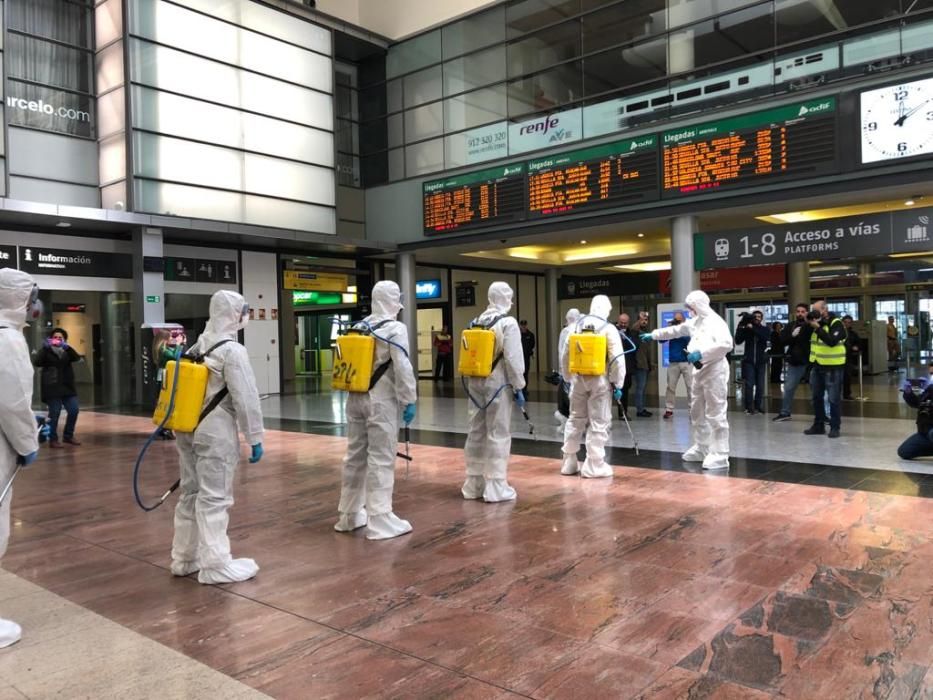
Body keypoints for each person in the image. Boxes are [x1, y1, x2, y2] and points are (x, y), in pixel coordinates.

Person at [171, 290, 265, 584]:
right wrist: (255, 436)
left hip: (187, 428)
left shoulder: (197, 345)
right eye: (244, 310)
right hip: (215, 433)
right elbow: (246, 397)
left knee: (190, 493)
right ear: (235, 313)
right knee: (214, 498)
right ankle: (215, 564)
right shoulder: (232, 351)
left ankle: (184, 558)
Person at [335, 281, 417, 540]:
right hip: (381, 401)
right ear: (393, 300)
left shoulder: (359, 326)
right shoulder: (394, 328)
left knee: (355, 456)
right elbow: (402, 366)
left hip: (355, 398)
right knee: (381, 458)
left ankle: (348, 515)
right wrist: (409, 399)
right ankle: (380, 519)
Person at [0, 269, 43, 648]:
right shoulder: (8, 340)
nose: (36, 305)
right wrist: (28, 443)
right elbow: (13, 404)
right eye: (32, 296)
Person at [644, 290, 733, 470]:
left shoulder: (716, 322)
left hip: (715, 370)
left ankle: (721, 454)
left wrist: (702, 353)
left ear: (698, 305)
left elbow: (726, 344)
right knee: (697, 411)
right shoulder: (695, 322)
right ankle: (702, 447)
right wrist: (653, 335)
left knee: (716, 413)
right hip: (698, 370)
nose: (688, 310)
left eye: (690, 306)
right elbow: (675, 330)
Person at [462, 282, 525, 502]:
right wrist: (519, 386)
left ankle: (473, 483)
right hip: (498, 382)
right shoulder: (508, 323)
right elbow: (514, 359)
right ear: (506, 298)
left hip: (475, 381)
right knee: (498, 432)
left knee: (476, 430)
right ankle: (496, 486)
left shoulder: (475, 321)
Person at [560, 295, 625, 478]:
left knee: (575, 419)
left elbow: (565, 355)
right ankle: (594, 464)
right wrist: (617, 383)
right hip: (600, 380)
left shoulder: (575, 326)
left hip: (578, 379)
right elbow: (617, 360)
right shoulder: (608, 329)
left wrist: (567, 376)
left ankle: (569, 461)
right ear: (605, 309)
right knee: (598, 421)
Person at [34, 328, 82, 448]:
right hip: (52, 387)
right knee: (54, 413)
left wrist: (67, 347)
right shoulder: (46, 350)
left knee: (74, 410)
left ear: (64, 339)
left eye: (61, 338)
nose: (58, 340)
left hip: (67, 386)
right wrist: (45, 348)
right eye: (56, 337)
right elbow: (37, 362)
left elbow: (76, 358)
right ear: (51, 339)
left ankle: (68, 436)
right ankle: (53, 439)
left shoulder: (67, 351)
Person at [805, 300, 847, 439]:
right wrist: (808, 323)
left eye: (817, 310)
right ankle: (818, 425)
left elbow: (831, 341)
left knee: (833, 398)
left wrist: (817, 327)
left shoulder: (836, 323)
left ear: (825, 310)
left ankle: (835, 427)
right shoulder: (815, 324)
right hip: (817, 365)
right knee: (816, 397)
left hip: (833, 367)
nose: (815, 313)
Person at [773, 304, 812, 422]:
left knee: (816, 389)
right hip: (795, 361)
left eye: (803, 311)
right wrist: (792, 335)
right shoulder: (791, 326)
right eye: (798, 311)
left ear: (807, 313)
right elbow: (782, 341)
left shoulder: (812, 326)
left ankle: (822, 415)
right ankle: (785, 412)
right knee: (789, 388)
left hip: (812, 361)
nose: (800, 313)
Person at [734, 310, 769, 415]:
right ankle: (749, 407)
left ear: (762, 318)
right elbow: (738, 340)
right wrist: (741, 325)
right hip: (749, 361)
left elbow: (765, 337)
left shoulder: (765, 329)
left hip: (761, 361)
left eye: (759, 316)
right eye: (755, 316)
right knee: (749, 384)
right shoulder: (747, 329)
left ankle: (758, 406)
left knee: (760, 385)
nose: (757, 318)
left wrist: (752, 328)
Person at [661, 312, 692, 420]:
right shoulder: (672, 329)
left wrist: (680, 330)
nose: (677, 322)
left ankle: (692, 409)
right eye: (675, 320)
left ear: (683, 320)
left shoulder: (687, 328)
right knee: (670, 387)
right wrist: (670, 329)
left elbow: (689, 340)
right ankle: (669, 409)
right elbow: (661, 340)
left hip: (686, 361)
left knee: (690, 387)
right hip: (673, 362)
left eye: (678, 320)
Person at [897, 369, 933, 460]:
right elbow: (917, 403)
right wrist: (908, 393)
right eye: (931, 373)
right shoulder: (930, 389)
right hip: (925, 431)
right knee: (904, 451)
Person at [157, 329, 187, 440]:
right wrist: (179, 344)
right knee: (167, 402)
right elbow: (175, 357)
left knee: (169, 402)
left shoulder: (165, 348)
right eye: (169, 337)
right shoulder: (162, 349)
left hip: (167, 376)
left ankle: (165, 428)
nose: (172, 339)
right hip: (165, 377)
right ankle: (165, 428)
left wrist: (182, 344)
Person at [555, 308, 581, 425]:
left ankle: (567, 422)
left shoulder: (566, 331)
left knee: (566, 399)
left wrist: (562, 371)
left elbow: (562, 353)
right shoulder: (582, 330)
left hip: (568, 371)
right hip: (580, 371)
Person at [616, 313, 636, 420]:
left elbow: (633, 346)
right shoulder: (613, 331)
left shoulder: (630, 332)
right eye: (621, 323)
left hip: (627, 367)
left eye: (625, 323)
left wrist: (625, 337)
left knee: (625, 391)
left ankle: (623, 413)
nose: (623, 325)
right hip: (615, 366)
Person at [634, 312, 653, 417]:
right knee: (640, 388)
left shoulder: (646, 333)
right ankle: (640, 410)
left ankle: (642, 408)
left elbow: (647, 352)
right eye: (642, 320)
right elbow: (634, 328)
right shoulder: (636, 332)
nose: (644, 321)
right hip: (639, 365)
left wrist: (650, 364)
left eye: (646, 320)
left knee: (643, 387)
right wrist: (639, 320)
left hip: (645, 365)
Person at [842, 315, 860, 400]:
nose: (847, 324)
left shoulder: (853, 334)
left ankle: (846, 394)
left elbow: (859, 343)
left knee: (847, 377)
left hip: (848, 358)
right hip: (838, 358)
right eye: (845, 322)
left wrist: (856, 347)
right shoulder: (838, 333)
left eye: (849, 322)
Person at [519, 320, 535, 399]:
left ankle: (524, 389)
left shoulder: (530, 335)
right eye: (522, 325)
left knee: (525, 374)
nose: (523, 326)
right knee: (519, 373)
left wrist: (529, 352)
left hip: (526, 357)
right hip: (519, 357)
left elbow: (532, 344)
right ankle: (519, 389)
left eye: (524, 325)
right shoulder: (517, 335)